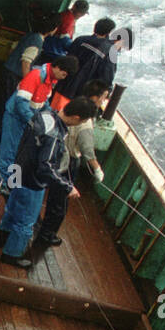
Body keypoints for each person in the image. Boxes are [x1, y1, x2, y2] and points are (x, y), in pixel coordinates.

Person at [0, 97, 99, 269]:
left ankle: (0, 239)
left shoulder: (44, 114)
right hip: (31, 182)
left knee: (12, 207)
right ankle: (10, 255)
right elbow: (45, 167)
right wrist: (67, 187)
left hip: (17, 169)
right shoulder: (55, 135)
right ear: (77, 118)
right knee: (26, 222)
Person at [35, 81, 109, 247]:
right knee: (59, 203)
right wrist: (97, 170)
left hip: (56, 158)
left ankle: (40, 225)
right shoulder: (85, 121)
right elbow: (87, 150)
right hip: (67, 163)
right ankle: (47, 235)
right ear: (95, 98)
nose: (104, 101)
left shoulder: (72, 105)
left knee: (50, 195)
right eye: (103, 98)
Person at [0, 54, 75, 188]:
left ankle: (9, 183)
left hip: (26, 119)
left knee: (17, 154)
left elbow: (44, 102)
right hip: (15, 117)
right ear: (58, 68)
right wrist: (33, 121)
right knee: (9, 152)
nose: (64, 78)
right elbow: (21, 102)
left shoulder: (51, 79)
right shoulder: (36, 76)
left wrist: (51, 115)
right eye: (64, 74)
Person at [0, 14, 60, 148]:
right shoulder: (37, 41)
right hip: (14, 76)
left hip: (7, 71)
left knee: (3, 105)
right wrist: (28, 83)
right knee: (7, 108)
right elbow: (26, 61)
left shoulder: (31, 35)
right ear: (53, 29)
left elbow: (14, 49)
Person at [52, 18, 131, 111]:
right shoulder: (110, 52)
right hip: (81, 97)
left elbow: (67, 60)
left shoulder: (80, 39)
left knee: (53, 113)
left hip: (61, 87)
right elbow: (106, 79)